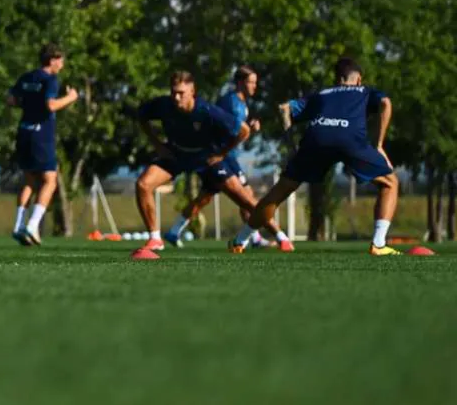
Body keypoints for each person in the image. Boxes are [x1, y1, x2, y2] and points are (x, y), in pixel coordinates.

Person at [248, 57, 404, 256]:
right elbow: (385, 103)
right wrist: (379, 144)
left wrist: (291, 144)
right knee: (390, 183)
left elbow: (284, 108)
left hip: (316, 138)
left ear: (337, 79)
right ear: (358, 79)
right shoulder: (364, 91)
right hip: (350, 139)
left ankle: (240, 240)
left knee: (281, 190)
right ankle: (378, 244)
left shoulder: (322, 94)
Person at [129, 71, 287, 260]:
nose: (176, 97)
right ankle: (155, 239)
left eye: (181, 93)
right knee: (143, 185)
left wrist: (222, 154)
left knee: (245, 201)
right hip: (176, 154)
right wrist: (157, 144)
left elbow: (243, 131)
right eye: (173, 92)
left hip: (206, 158)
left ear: (192, 91)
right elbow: (142, 115)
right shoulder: (164, 105)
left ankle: (282, 237)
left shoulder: (207, 111)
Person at [6, 45, 78, 246]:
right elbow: (51, 105)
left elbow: (11, 100)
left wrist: (29, 104)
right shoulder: (50, 80)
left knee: (29, 180)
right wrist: (71, 98)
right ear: (52, 60)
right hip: (41, 134)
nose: (62, 65)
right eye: (60, 60)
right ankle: (32, 225)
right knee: (50, 180)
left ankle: (18, 225)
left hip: (24, 131)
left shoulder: (27, 77)